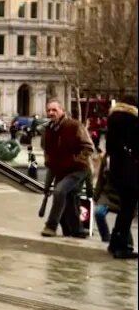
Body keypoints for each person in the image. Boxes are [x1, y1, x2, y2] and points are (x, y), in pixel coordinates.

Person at [41, 99, 93, 238]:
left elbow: (88, 147)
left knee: (59, 191)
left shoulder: (74, 125)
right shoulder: (48, 130)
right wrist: (50, 164)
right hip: (60, 169)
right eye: (49, 110)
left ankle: (51, 226)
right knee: (69, 197)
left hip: (78, 169)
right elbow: (47, 151)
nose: (51, 113)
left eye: (54, 110)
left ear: (62, 111)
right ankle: (77, 231)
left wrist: (76, 160)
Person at [104, 96, 137, 258]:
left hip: (116, 168)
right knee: (128, 209)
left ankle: (114, 243)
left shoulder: (113, 119)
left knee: (124, 207)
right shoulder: (132, 120)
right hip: (130, 170)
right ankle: (121, 246)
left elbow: (109, 147)